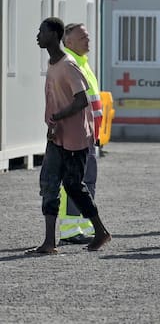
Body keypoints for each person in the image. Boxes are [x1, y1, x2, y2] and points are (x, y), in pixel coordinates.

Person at [27, 17, 111, 254]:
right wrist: (52, 123)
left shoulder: (68, 65)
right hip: (57, 136)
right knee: (49, 184)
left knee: (74, 186)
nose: (37, 36)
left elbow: (81, 100)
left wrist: (58, 117)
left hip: (75, 138)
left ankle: (101, 231)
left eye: (41, 31)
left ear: (54, 35)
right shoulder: (53, 64)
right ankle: (49, 242)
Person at [57, 23, 103, 245]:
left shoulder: (83, 64)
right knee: (75, 182)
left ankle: (84, 224)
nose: (88, 41)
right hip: (77, 135)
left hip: (89, 134)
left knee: (88, 180)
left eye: (88, 37)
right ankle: (69, 229)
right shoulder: (70, 65)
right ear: (69, 42)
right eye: (83, 37)